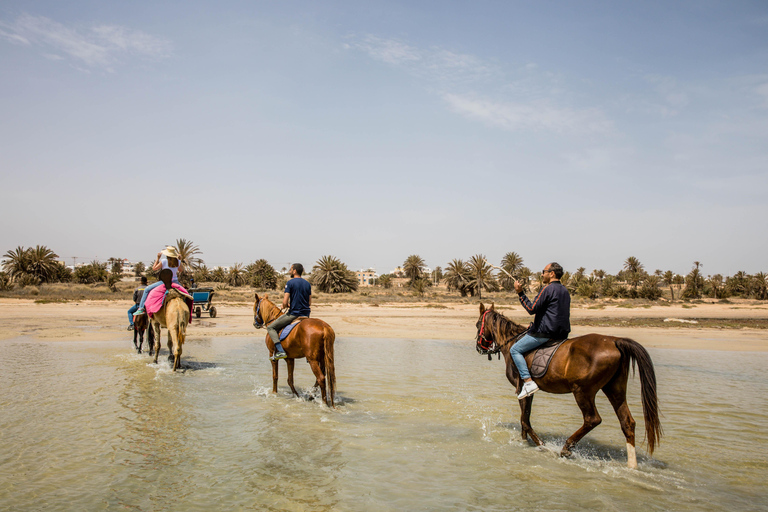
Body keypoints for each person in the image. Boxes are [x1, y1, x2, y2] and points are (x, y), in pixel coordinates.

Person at [511, 262, 571, 399]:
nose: (542, 274)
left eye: (543, 271)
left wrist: (520, 293)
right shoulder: (564, 290)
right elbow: (552, 313)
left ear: (552, 274)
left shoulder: (547, 289)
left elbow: (532, 309)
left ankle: (528, 382)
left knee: (515, 350)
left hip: (545, 334)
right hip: (562, 334)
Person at [267, 263, 311, 361]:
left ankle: (280, 351)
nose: (290, 271)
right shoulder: (307, 284)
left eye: (291, 269)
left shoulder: (290, 283)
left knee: (271, 327)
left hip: (294, 314)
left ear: (294, 271)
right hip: (306, 314)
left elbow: (284, 302)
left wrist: (284, 305)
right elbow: (309, 302)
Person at [133, 246, 184, 317]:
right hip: (175, 282)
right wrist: (180, 260)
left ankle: (141, 308)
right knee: (185, 294)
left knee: (147, 289)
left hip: (164, 282)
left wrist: (158, 258)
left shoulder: (163, 261)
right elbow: (181, 270)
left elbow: (154, 268)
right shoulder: (177, 261)